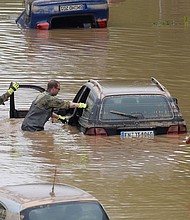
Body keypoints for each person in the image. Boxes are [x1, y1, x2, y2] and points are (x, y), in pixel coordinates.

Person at [21, 80, 87, 132]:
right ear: (53, 88)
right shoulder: (49, 99)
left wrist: (59, 117)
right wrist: (82, 105)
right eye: (58, 89)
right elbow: (67, 104)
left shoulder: (42, 95)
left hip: (26, 126)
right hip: (33, 129)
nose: (58, 91)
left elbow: (45, 111)